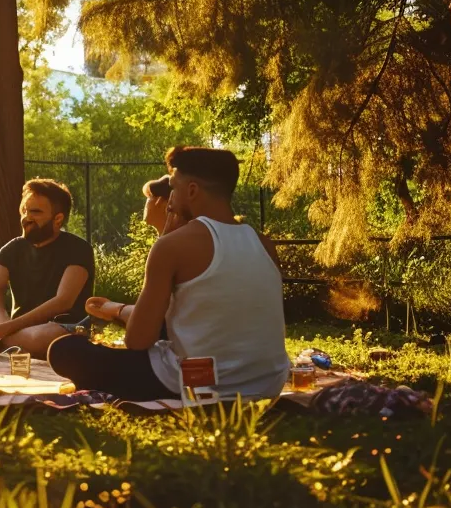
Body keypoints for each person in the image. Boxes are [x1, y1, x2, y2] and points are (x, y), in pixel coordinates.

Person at [47, 147, 289, 401]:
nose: (170, 197)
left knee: (66, 349)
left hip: (198, 386)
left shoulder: (173, 245)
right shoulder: (264, 244)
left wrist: (164, 240)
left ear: (191, 191)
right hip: (266, 385)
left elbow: (138, 340)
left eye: (174, 187)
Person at [0, 178, 95, 359]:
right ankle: (4, 344)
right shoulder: (13, 248)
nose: (26, 218)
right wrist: (0, 321)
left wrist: (4, 330)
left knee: (38, 338)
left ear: (58, 219)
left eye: (35, 212)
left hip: (64, 327)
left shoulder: (79, 249)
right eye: (24, 211)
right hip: (17, 330)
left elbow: (63, 302)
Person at [85, 175, 185, 326]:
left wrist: (113, 309)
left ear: (161, 202)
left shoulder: (172, 248)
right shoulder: (172, 243)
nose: (145, 204)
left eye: (149, 197)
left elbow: (154, 313)